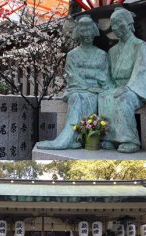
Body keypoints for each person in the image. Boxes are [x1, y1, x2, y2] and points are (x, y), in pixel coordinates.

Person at [37, 15, 109, 150]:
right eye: (83, 31)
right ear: (79, 34)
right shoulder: (72, 55)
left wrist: (95, 85)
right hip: (77, 90)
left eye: (89, 31)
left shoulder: (102, 55)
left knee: (92, 97)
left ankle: (81, 137)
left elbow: (105, 77)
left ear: (94, 33)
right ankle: (70, 138)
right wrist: (87, 84)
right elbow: (71, 76)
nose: (87, 35)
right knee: (77, 97)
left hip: (96, 90)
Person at [98, 7, 146, 153]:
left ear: (128, 24)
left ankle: (130, 140)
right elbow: (108, 74)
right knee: (104, 96)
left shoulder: (139, 45)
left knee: (123, 98)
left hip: (136, 89)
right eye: (114, 25)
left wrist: (128, 88)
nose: (116, 28)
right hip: (117, 86)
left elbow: (142, 70)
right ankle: (109, 138)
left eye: (119, 24)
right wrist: (109, 86)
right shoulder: (112, 51)